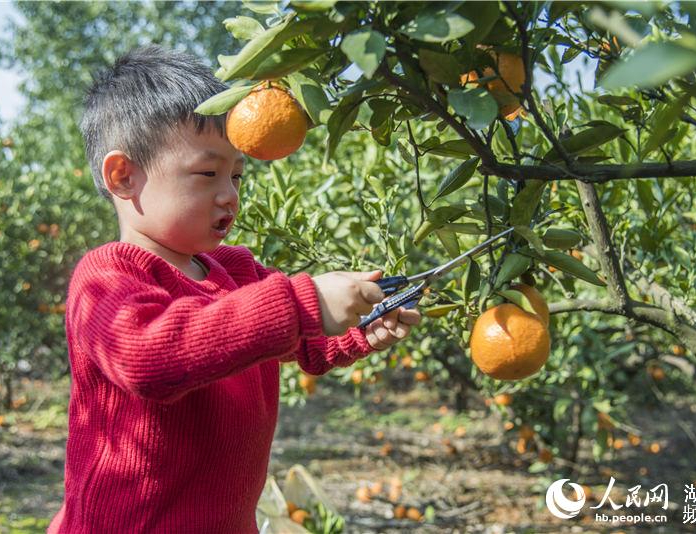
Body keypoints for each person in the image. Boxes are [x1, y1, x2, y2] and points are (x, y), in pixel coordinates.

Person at [47, 45, 421, 533]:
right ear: (124, 175)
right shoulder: (108, 277)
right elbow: (151, 359)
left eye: (237, 176)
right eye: (207, 174)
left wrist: (359, 330)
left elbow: (301, 341)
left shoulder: (235, 270)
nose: (229, 194)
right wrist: (303, 302)